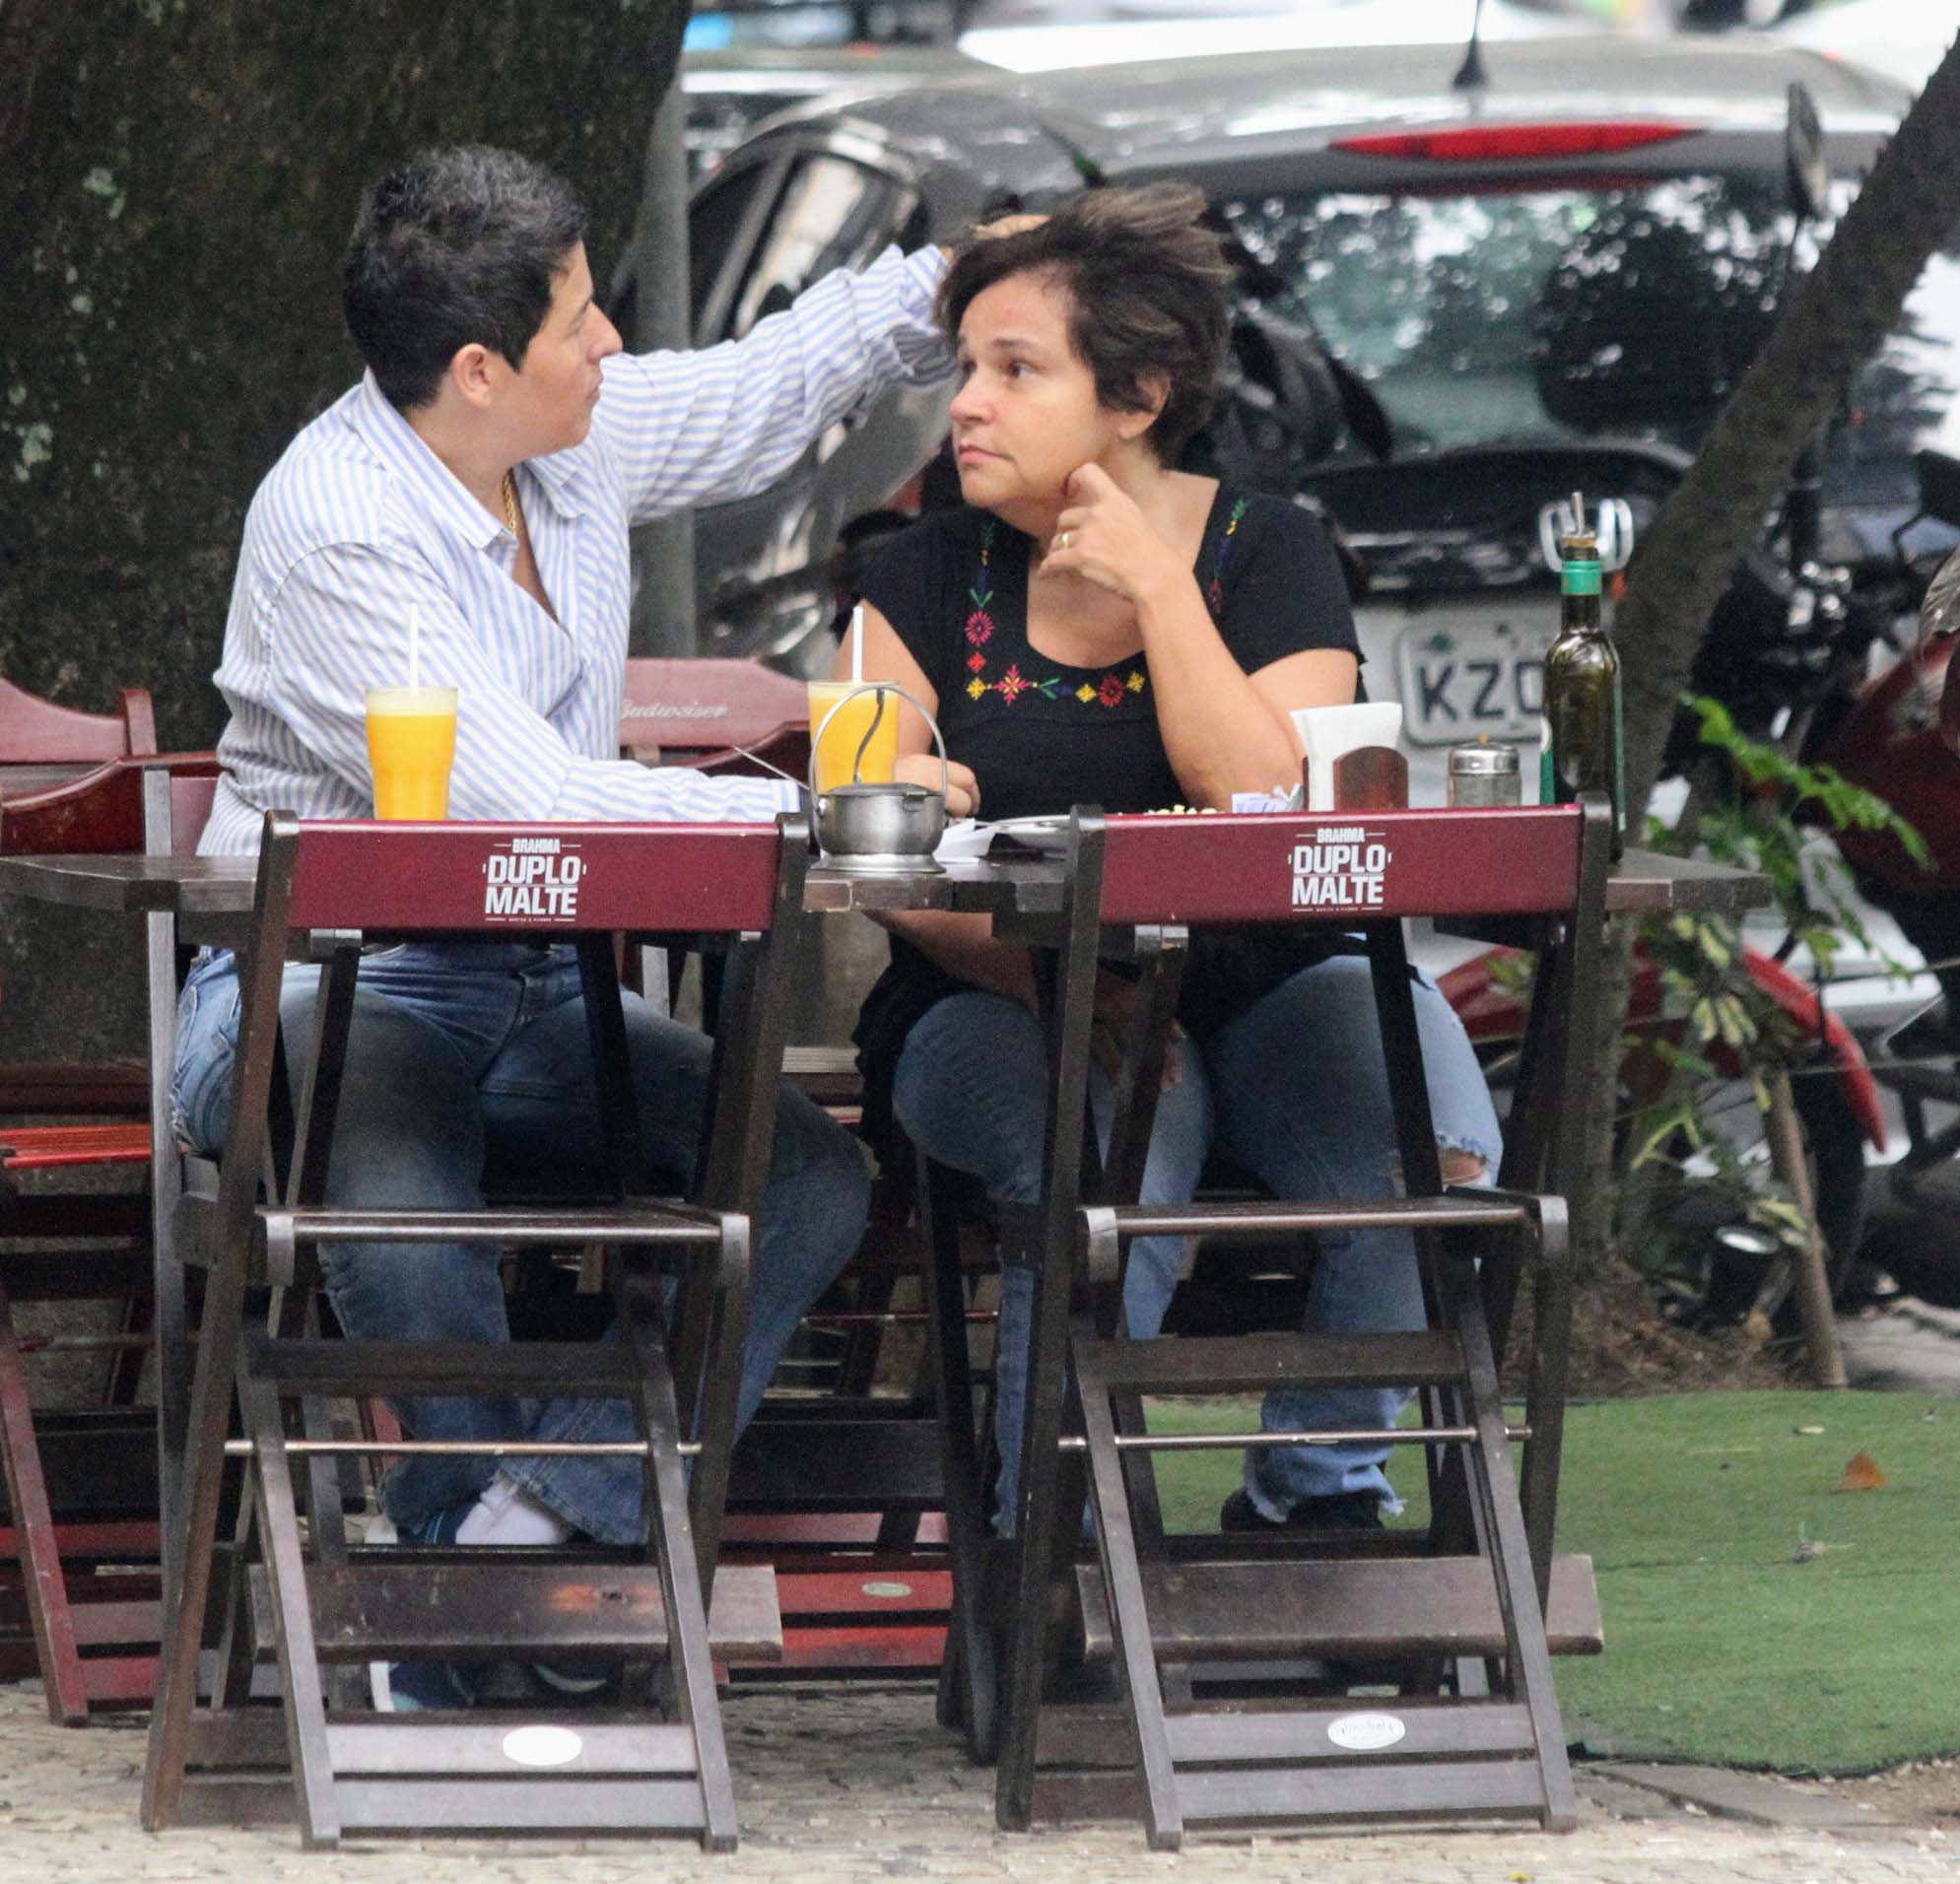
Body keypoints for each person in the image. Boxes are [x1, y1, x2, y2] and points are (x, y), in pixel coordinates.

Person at [170, 143, 976, 1697]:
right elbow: (529, 801)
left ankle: (521, 1541)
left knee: (802, 1182)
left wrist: (950, 285)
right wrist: (829, 818)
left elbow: (761, 384)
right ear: (479, 369)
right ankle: (460, 1648)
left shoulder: (566, 445)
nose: (613, 343)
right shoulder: (341, 523)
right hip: (328, 987)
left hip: (538, 986)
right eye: (582, 320)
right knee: (400, 1213)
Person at [841, 185, 1503, 1536]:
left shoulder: (1275, 554)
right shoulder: (918, 577)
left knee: (1426, 1140)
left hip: (1262, 986)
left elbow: (1272, 803)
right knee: (1114, 1142)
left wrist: (1156, 587)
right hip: (993, 999)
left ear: (1136, 397)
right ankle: (1055, 1552)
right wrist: (1079, 992)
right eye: (967, 367)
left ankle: (1318, 1504)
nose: (967, 403)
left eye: (1016, 370)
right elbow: (880, 856)